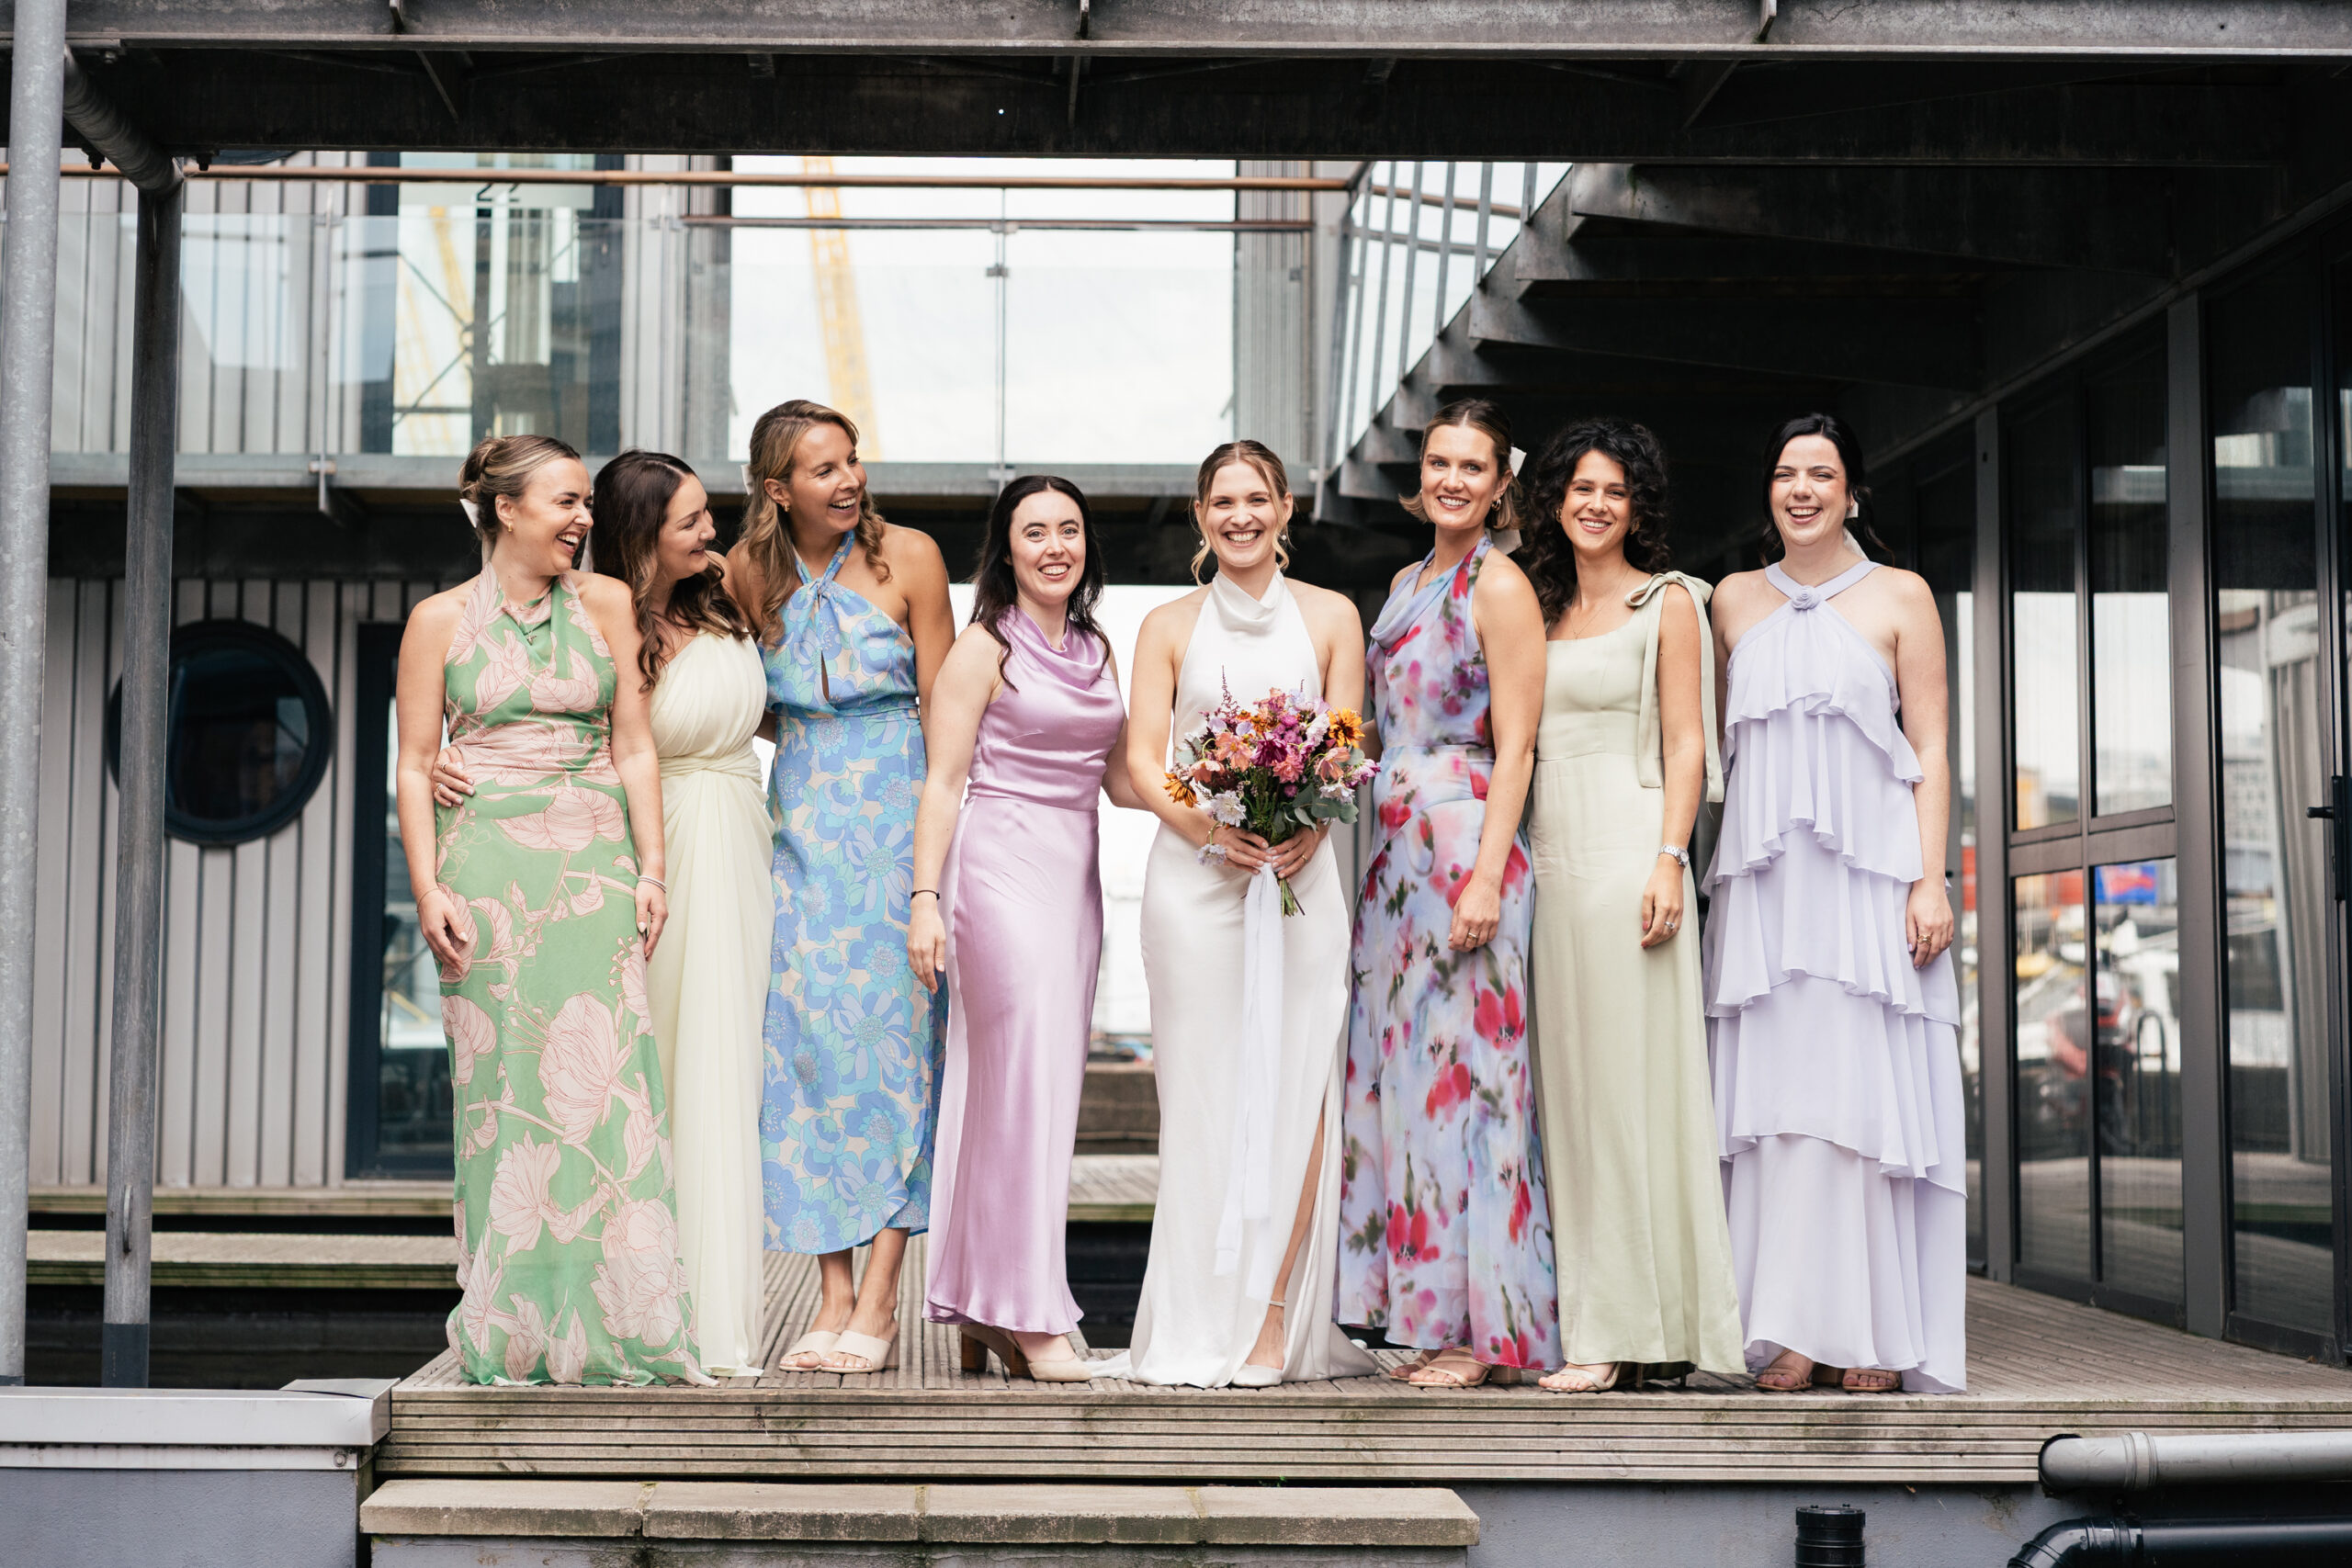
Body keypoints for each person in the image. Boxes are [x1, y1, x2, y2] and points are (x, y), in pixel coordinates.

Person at [429, 450, 771, 1377]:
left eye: (585, 501)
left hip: (645, 853)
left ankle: (657, 1306)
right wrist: (437, 810)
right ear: (506, 509)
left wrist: (649, 868)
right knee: (542, 1085)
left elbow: (632, 742)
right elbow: (420, 746)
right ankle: (548, 1316)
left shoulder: (656, 603)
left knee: (643, 1078)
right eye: (562, 499)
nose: (715, 534)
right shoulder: (455, 619)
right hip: (522, 862)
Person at [1704, 412, 1967, 1394]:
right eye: (1784, 474)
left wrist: (1928, 877)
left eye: (1821, 473)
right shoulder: (1729, 601)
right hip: (1767, 896)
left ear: (1853, 490)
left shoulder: (1901, 596)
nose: (1801, 489)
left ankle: (1867, 1332)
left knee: (1859, 1103)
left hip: (1866, 889)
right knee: (1776, 1108)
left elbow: (1932, 748)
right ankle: (1789, 1329)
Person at [1104, 440, 1376, 1388]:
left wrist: (1311, 828)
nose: (1239, 516)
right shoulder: (1168, 626)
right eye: (1221, 501)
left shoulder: (1333, 617)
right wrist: (1210, 836)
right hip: (1199, 883)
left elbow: (1341, 746)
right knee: (1205, 1096)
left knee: (1297, 1082)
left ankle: (1271, 1321)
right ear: (1199, 514)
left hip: (1302, 878)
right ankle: (1189, 1319)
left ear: (1286, 506)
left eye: (1255, 498)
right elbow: (1144, 760)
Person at [1513, 420, 1743, 1394]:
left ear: (1636, 504)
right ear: (1555, 501)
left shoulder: (1670, 605)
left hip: (1627, 857)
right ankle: (1600, 1318)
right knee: (1563, 1099)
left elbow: (1688, 744)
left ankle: (1620, 1333)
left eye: (1614, 490)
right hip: (1549, 864)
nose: (1595, 504)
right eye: (1579, 488)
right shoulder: (1535, 607)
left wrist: (1666, 861)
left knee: (1628, 1098)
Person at [1335, 399, 1561, 1389]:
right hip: (1393, 855)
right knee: (1401, 1083)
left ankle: (1479, 1333)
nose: (1453, 481)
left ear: (1499, 482)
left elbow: (1517, 745)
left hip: (1466, 842)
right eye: (1438, 463)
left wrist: (1483, 876)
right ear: (1419, 475)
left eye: (1473, 467)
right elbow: (1386, 726)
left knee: (1465, 1083)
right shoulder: (1402, 580)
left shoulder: (1498, 584)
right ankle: (1421, 1317)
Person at [728, 399, 955, 1377]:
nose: (848, 478)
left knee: (906, 1053)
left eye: (852, 460)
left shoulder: (910, 557)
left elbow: (949, 707)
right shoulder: (745, 574)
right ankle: (827, 1290)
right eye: (824, 468)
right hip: (803, 826)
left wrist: (935, 872)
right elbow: (751, 705)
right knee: (808, 1053)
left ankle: (880, 1295)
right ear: (778, 489)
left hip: (901, 812)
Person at [908, 475, 1148, 1382]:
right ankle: (1027, 1313)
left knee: (1045, 1090)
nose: (1055, 546)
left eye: (1070, 530)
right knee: (1015, 1088)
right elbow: (942, 782)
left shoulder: (1095, 646)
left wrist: (1232, 806)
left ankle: (986, 1307)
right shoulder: (982, 648)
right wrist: (924, 901)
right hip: (996, 874)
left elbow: (1122, 781)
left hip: (1073, 878)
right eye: (1034, 531)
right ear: (1005, 549)